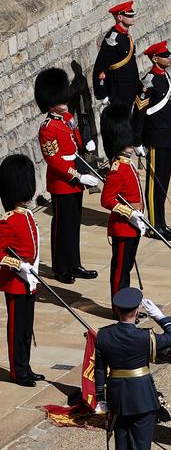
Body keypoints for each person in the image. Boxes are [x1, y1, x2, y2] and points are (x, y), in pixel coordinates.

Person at [94, 287, 171, 450]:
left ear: (117, 309)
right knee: (140, 447)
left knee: (122, 445)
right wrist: (160, 316)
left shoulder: (104, 334)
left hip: (117, 395)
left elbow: (99, 370)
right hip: (142, 394)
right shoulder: (144, 337)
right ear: (137, 311)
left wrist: (100, 397)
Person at [35, 67, 100, 284]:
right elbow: (53, 161)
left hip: (74, 178)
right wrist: (77, 177)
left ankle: (75, 263)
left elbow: (75, 137)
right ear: (51, 102)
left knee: (74, 225)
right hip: (62, 182)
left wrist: (86, 143)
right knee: (62, 227)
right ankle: (61, 268)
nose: (64, 103)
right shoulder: (47, 128)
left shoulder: (67, 118)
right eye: (60, 100)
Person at [0, 155, 42, 387]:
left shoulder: (27, 215)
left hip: (29, 281)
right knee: (17, 330)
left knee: (27, 329)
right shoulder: (8, 221)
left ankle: (26, 366)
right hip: (16, 282)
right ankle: (18, 372)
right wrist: (18, 265)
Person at [100, 104, 147, 299]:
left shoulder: (126, 164)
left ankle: (127, 305)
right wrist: (129, 213)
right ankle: (119, 308)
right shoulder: (117, 169)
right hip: (123, 226)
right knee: (120, 271)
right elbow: (106, 200)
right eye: (128, 144)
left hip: (134, 224)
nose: (131, 146)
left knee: (127, 267)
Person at [132, 41, 171, 238]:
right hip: (154, 138)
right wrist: (137, 141)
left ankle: (162, 222)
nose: (169, 58)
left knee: (164, 182)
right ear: (155, 59)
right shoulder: (148, 81)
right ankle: (153, 225)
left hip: (166, 136)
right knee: (154, 183)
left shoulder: (164, 75)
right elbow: (139, 113)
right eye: (165, 56)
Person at [93, 1, 141, 111]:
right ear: (120, 17)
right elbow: (101, 66)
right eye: (129, 16)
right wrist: (102, 95)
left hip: (129, 88)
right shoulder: (112, 39)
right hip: (118, 90)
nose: (133, 18)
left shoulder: (125, 36)